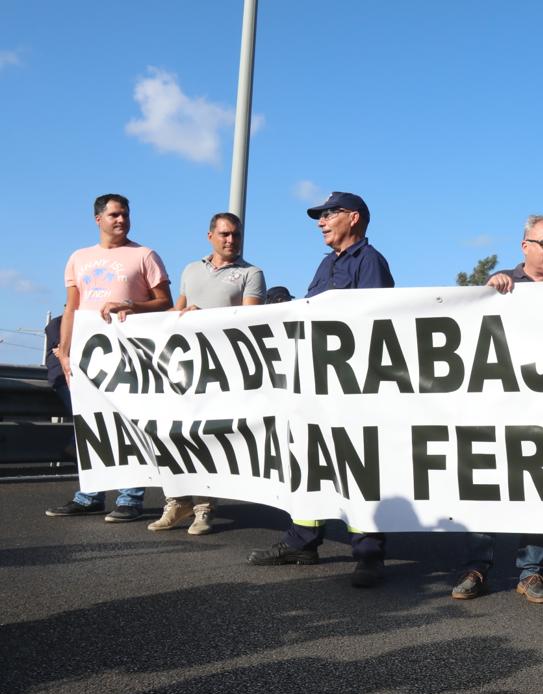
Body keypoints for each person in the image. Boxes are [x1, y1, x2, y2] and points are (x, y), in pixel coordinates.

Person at [247, 192, 394, 587]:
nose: (321, 221)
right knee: (311, 461)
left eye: (330, 214)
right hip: (318, 389)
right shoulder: (325, 264)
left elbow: (374, 322)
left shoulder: (370, 262)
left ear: (355, 218)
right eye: (320, 215)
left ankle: (368, 553)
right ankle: (303, 540)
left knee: (356, 467)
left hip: (354, 391)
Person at [450, 214, 543, 605]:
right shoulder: (502, 285)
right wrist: (487, 291)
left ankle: (532, 573)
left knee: (537, 490)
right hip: (497, 409)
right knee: (486, 486)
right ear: (525, 247)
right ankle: (477, 567)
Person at [45, 194, 172, 522]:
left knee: (130, 424)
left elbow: (165, 302)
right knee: (91, 423)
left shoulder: (145, 255)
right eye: (115, 214)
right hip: (88, 354)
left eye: (126, 215)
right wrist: (64, 349)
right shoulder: (79, 258)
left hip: (130, 354)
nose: (122, 220)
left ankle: (131, 497)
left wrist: (131, 305)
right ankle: (89, 495)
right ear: (98, 219)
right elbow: (71, 306)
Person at [147, 212, 266, 536]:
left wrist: (206, 318)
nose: (231, 240)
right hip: (183, 369)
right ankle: (177, 500)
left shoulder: (251, 274)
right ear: (210, 236)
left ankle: (203, 507)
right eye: (225, 234)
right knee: (173, 435)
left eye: (236, 235)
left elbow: (249, 320)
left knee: (206, 438)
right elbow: (178, 309)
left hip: (221, 371)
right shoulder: (190, 269)